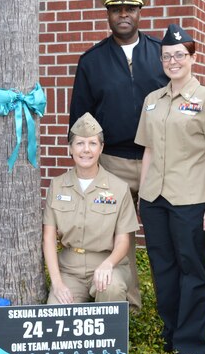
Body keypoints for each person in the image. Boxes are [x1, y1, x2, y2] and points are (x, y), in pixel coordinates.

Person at [135, 24, 205, 354]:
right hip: (155, 200)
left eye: (180, 54)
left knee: (192, 270)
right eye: (167, 56)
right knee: (163, 269)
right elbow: (147, 150)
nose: (173, 61)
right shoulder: (152, 101)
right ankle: (171, 332)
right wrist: (142, 196)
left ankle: (191, 345)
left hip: (191, 200)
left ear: (194, 57)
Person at [69, 0, 169, 312]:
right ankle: (127, 306)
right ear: (108, 14)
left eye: (129, 8)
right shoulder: (91, 61)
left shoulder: (160, 54)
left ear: (139, 11)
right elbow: (80, 121)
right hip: (112, 162)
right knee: (118, 239)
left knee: (162, 237)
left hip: (158, 162)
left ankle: (169, 303)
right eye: (116, 9)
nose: (123, 14)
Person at [43, 113, 139, 304]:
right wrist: (58, 283)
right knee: (57, 309)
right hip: (70, 270)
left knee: (110, 288)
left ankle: (111, 334)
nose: (86, 150)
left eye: (93, 144)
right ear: (70, 148)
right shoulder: (57, 185)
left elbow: (123, 241)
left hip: (108, 265)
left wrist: (108, 264)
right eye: (79, 143)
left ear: (101, 148)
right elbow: (48, 237)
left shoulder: (119, 188)